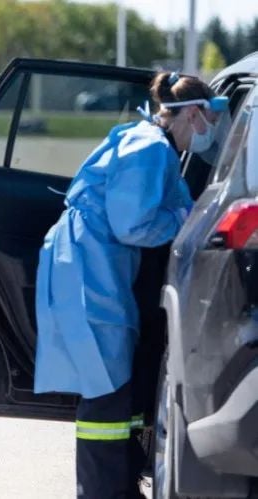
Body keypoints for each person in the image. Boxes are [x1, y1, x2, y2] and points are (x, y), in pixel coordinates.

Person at [34, 71, 228, 498]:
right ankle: (103, 491)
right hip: (91, 268)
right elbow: (133, 224)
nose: (209, 134)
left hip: (95, 264)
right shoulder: (150, 150)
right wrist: (186, 221)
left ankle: (116, 484)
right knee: (105, 385)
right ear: (193, 113)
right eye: (209, 123)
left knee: (112, 380)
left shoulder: (150, 141)